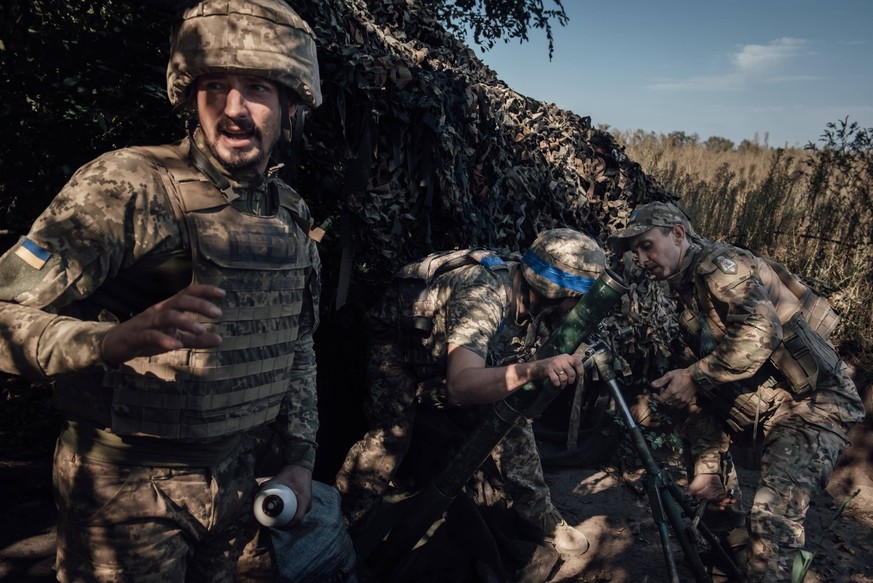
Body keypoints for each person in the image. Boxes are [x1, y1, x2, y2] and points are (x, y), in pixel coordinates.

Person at [0, 1, 356, 581]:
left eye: (258, 88)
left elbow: (297, 346)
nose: (233, 109)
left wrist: (297, 458)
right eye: (215, 85)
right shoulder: (128, 187)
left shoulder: (289, 214)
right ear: (190, 94)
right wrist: (104, 341)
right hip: (126, 494)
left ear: (294, 104)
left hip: (236, 483)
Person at [610, 201, 865, 582]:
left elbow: (761, 333)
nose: (642, 258)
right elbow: (696, 399)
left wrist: (695, 375)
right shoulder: (677, 296)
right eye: (636, 252)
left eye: (647, 245)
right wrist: (709, 467)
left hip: (812, 405)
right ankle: (731, 564)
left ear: (677, 234)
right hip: (761, 409)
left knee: (772, 521)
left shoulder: (719, 265)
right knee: (715, 508)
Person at [336, 229, 607, 565]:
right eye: (579, 297)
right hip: (400, 348)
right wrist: (534, 370)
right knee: (389, 441)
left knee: (512, 418)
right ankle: (339, 529)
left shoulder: (536, 301)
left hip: (449, 355)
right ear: (557, 291)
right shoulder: (485, 294)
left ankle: (539, 515)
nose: (580, 306)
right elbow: (461, 386)